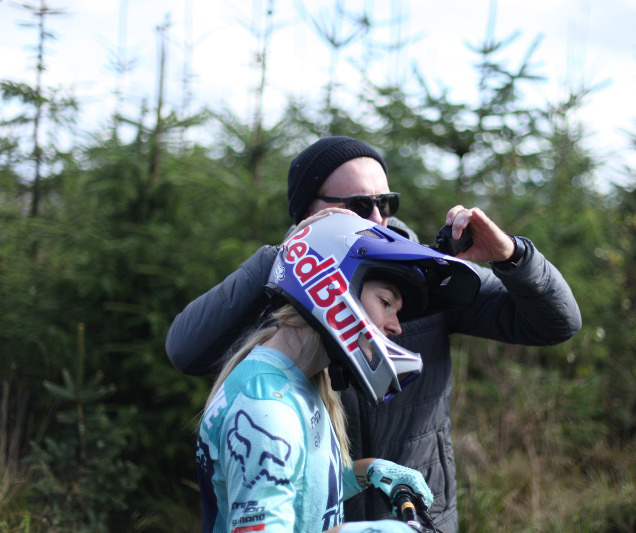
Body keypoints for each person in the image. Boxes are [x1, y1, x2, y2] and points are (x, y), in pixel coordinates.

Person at [169, 136, 582, 532]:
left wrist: (512, 256)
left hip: (419, 512)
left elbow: (556, 323)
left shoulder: (423, 278)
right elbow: (186, 351)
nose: (377, 218)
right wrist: (285, 257)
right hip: (333, 520)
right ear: (308, 211)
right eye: (358, 205)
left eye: (385, 203)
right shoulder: (296, 293)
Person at [196, 213, 481, 532]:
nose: (396, 327)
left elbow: (301, 489)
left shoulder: (297, 381)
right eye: (386, 302)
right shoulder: (265, 411)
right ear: (330, 288)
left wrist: (368, 471)